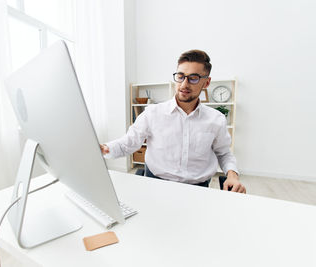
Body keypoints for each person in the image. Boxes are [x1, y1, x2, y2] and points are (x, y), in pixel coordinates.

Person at [100, 49, 246, 193]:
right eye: (180, 76)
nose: (184, 84)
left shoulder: (216, 119)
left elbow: (224, 153)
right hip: (156, 184)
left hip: (198, 189)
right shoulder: (152, 113)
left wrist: (232, 175)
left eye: (193, 78)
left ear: (206, 83)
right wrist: (105, 148)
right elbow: (128, 143)